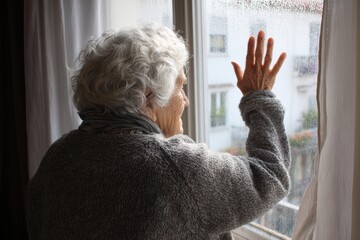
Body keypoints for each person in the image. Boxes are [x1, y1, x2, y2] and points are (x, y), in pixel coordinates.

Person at [26, 23, 290, 240]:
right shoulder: (174, 168)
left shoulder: (59, 156)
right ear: (149, 96)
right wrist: (259, 97)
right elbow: (270, 176)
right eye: (180, 87)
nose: (186, 101)